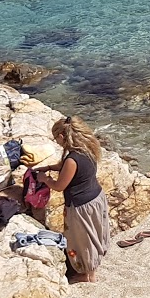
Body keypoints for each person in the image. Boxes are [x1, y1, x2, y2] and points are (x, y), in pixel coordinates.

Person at [38, 116, 111, 283]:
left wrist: (44, 179)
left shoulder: (72, 160)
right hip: (96, 198)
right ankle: (92, 267)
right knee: (94, 235)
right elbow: (69, 168)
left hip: (81, 206)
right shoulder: (88, 149)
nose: (56, 142)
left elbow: (59, 185)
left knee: (82, 240)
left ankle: (88, 276)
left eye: (56, 138)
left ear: (62, 137)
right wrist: (50, 167)